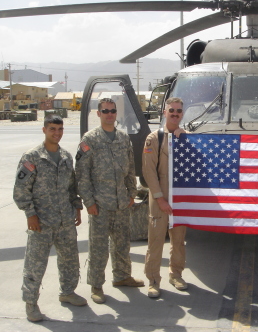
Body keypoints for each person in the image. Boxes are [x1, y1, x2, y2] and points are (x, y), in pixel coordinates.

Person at [13, 114, 87, 322]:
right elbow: (21, 190)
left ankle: (67, 291)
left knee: (70, 260)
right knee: (35, 264)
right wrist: (30, 214)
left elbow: (71, 187)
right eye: (52, 129)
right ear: (44, 130)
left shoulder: (65, 156)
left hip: (65, 219)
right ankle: (31, 303)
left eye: (60, 129)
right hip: (41, 221)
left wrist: (76, 207)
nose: (57, 133)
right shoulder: (32, 157)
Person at [75, 98, 144, 304]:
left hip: (121, 203)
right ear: (98, 114)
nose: (109, 114)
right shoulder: (90, 140)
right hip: (100, 205)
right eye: (105, 111)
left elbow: (131, 169)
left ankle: (122, 276)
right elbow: (81, 174)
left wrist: (132, 194)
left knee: (122, 243)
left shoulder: (123, 139)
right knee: (98, 247)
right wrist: (89, 202)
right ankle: (96, 285)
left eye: (113, 111)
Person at [142, 97, 187, 298]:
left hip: (179, 199)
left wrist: (185, 137)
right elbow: (148, 171)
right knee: (156, 241)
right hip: (159, 198)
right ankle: (153, 280)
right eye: (172, 110)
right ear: (164, 112)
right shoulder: (154, 138)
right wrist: (160, 198)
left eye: (178, 111)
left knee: (178, 241)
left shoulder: (184, 137)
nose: (175, 114)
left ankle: (175, 274)